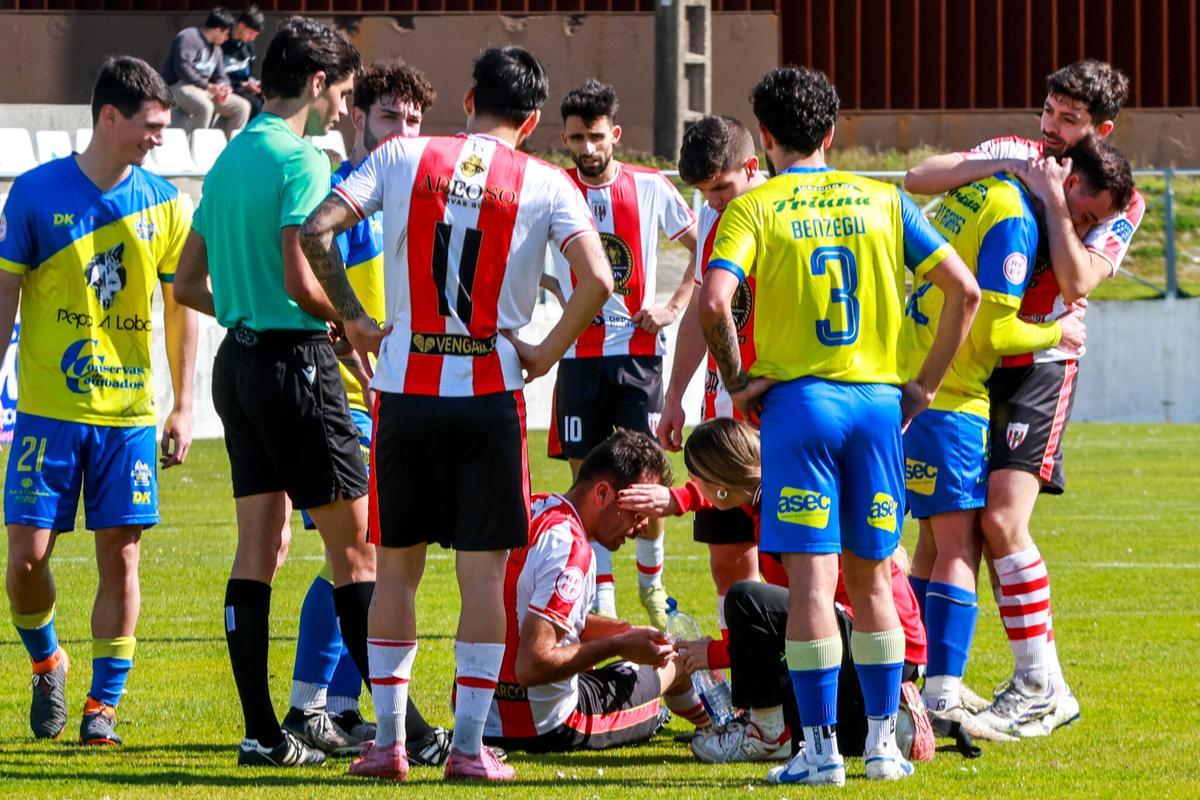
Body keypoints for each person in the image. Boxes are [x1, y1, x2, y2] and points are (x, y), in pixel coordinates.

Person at [297, 46, 613, 782]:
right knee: (480, 582)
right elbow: (597, 279)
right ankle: (468, 749)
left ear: (468, 100)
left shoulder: (404, 154)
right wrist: (544, 351)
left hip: (405, 393)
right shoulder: (545, 180)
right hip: (488, 397)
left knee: (395, 577)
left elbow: (316, 233)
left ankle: (388, 744)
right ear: (533, 121)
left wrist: (356, 323)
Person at [698, 65, 980, 785]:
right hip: (878, 407)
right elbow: (966, 291)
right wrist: (921, 386)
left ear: (764, 136)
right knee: (877, 581)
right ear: (830, 132)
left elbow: (713, 301)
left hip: (801, 409)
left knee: (814, 586)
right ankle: (882, 747)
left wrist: (736, 379)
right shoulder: (885, 201)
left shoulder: (755, 207)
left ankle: (820, 752)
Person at [904, 59, 1145, 736]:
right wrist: (1004, 172)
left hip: (1041, 356)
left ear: (1100, 129)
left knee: (1002, 522)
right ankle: (925, 686)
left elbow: (1078, 282)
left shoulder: (1123, 196)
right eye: (1048, 110)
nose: (1051, 127)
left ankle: (1039, 686)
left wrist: (1048, 198)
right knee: (945, 529)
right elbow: (919, 177)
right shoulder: (1020, 152)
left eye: (1068, 120)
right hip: (979, 355)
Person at [172, 17, 373, 768]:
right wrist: (356, 323)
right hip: (295, 367)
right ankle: (402, 727)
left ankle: (262, 733)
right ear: (317, 84)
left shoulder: (229, 161)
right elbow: (302, 276)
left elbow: (188, 282)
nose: (346, 111)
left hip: (238, 368)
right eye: (345, 94)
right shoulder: (302, 160)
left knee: (260, 548)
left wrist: (242, 306)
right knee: (356, 553)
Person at [0, 56, 197, 746]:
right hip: (48, 414)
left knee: (124, 558)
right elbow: (4, 296)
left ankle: (101, 709)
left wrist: (183, 406)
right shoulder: (32, 194)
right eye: (150, 126)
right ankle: (47, 659)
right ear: (109, 117)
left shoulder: (166, 203)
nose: (158, 139)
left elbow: (181, 311)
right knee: (23, 561)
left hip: (127, 419)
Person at [284, 60, 446, 761]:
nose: (403, 133)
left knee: (376, 558)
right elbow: (310, 282)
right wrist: (348, 338)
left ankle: (346, 706)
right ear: (357, 118)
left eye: (413, 121)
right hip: (345, 396)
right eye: (389, 118)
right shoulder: (340, 195)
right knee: (353, 555)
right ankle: (307, 702)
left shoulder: (415, 193)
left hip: (397, 398)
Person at [617, 418, 933, 765]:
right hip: (879, 642)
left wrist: (718, 654)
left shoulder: (777, 512)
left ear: (721, 486)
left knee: (747, 599)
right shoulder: (774, 486)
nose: (695, 487)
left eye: (697, 479)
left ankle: (766, 734)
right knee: (789, 695)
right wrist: (681, 498)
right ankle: (893, 724)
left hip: (878, 641)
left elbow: (805, 612)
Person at [542, 80, 698, 631]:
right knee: (588, 479)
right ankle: (600, 597)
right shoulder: (551, 187)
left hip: (638, 357)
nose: (586, 148)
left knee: (646, 483)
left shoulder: (651, 187)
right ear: (564, 135)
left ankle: (652, 586)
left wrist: (674, 306)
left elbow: (703, 243)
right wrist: (556, 289)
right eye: (577, 138)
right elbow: (514, 246)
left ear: (617, 135)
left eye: (596, 137)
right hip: (579, 357)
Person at [482, 430, 712, 752]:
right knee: (673, 663)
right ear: (603, 494)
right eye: (637, 510)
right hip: (549, 725)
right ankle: (718, 728)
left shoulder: (535, 510)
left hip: (480, 715)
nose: (644, 526)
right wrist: (618, 644)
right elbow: (531, 665)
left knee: (650, 652)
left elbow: (548, 620)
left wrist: (626, 633)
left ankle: (714, 726)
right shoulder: (572, 549)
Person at [658, 114, 766, 643]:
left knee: (797, 561)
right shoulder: (711, 217)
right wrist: (674, 396)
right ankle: (749, 690)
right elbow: (704, 312)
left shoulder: (780, 209)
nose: (715, 199)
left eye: (721, 186)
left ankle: (791, 695)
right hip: (722, 419)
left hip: (775, 417)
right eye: (705, 191)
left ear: (751, 167)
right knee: (728, 561)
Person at [162, 8, 251, 135]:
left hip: (205, 89)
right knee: (205, 107)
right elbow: (182, 68)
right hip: (179, 86)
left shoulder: (217, 49)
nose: (226, 39)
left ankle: (229, 149)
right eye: (226, 34)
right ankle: (196, 148)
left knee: (242, 107)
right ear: (218, 30)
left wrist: (224, 87)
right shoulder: (189, 37)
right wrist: (208, 86)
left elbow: (221, 74)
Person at [221, 5, 265, 121]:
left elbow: (248, 75)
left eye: (255, 36)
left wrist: (255, 84)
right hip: (228, 87)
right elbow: (215, 76)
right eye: (250, 33)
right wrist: (242, 84)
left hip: (245, 87)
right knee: (254, 104)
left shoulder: (249, 45)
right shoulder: (223, 41)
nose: (252, 38)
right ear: (241, 26)